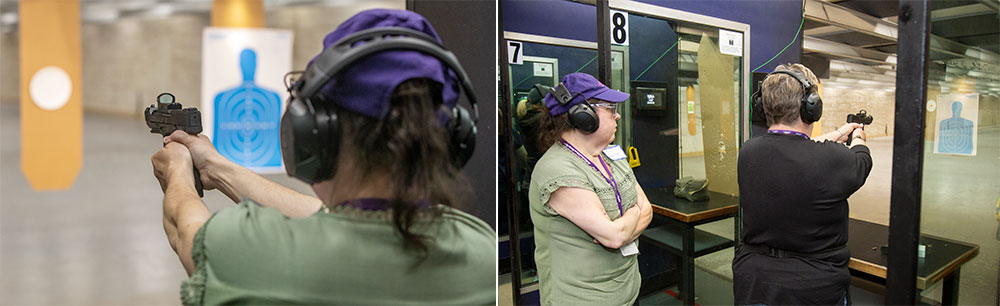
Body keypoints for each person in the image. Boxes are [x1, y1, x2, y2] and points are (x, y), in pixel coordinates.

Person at [150, 9, 494, 305]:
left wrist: (179, 169)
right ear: (451, 138)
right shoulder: (480, 253)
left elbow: (185, 228)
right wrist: (217, 167)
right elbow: (341, 219)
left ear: (315, 132)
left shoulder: (252, 254)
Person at [733, 63, 872, 305]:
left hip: (755, 284)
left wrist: (840, 131)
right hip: (812, 288)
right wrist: (858, 135)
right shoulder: (832, 159)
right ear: (811, 107)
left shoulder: (748, 151)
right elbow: (862, 160)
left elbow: (796, 148)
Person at [528, 72, 653, 305]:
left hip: (628, 292)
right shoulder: (557, 169)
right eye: (610, 108)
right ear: (583, 115)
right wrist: (633, 212)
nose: (617, 115)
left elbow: (648, 209)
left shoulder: (611, 154)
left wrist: (625, 225)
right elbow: (615, 236)